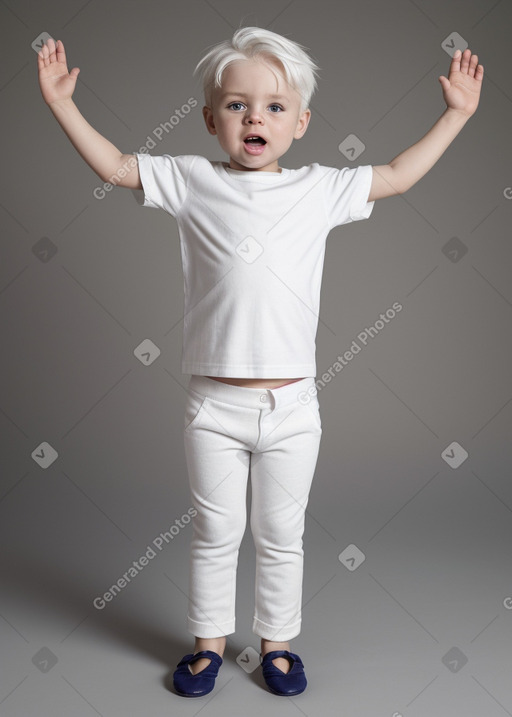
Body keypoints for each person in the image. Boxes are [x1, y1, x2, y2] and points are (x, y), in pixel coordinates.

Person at [37, 26, 484, 698]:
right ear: (211, 118)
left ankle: (277, 647)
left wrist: (456, 114)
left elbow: (394, 174)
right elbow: (116, 166)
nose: (256, 118)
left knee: (282, 532)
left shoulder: (318, 189)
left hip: (293, 407)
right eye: (239, 105)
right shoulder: (191, 181)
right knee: (215, 531)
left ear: (301, 123)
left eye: (275, 107)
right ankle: (208, 647)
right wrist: (61, 103)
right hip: (213, 406)